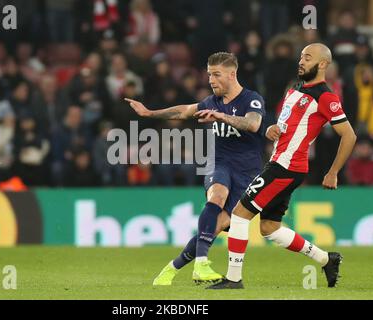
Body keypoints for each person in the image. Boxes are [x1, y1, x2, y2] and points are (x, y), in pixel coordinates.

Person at [207, 43, 357, 290]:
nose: (301, 61)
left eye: (307, 58)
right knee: (269, 228)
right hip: (280, 163)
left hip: (287, 167)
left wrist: (333, 172)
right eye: (301, 56)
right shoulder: (295, 89)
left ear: (322, 64)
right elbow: (286, 125)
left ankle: (234, 279)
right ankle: (326, 259)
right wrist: (270, 128)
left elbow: (349, 135)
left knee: (239, 214)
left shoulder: (326, 97)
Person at [125, 52, 266, 285]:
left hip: (247, 172)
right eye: (209, 74)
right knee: (217, 195)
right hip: (219, 162)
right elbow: (184, 111)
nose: (211, 80)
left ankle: (171, 269)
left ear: (232, 75)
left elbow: (252, 123)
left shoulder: (251, 99)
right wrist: (150, 113)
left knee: (217, 225)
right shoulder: (211, 101)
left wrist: (220, 117)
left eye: (216, 75)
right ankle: (201, 263)